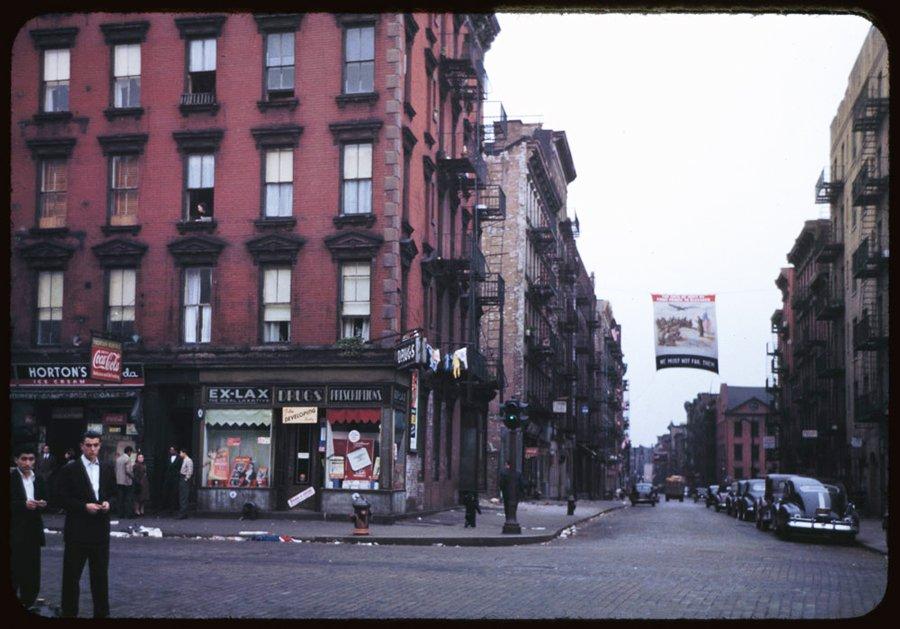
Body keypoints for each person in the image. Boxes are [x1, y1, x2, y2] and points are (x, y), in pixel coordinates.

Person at [55, 431, 117, 618]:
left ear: (100, 446)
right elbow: (60, 498)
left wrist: (109, 504)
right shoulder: (70, 469)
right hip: (77, 532)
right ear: (81, 446)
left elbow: (114, 494)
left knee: (100, 578)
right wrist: (83, 507)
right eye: (88, 445)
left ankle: (101, 614)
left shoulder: (106, 467)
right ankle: (69, 613)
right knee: (72, 577)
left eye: (96, 445)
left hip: (100, 532)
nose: (92, 449)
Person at [10, 443, 49, 610]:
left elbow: (46, 498)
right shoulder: (11, 479)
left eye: (31, 459)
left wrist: (43, 503)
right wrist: (23, 505)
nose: (27, 463)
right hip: (14, 532)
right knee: (14, 570)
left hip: (33, 532)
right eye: (23, 459)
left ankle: (28, 601)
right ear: (16, 460)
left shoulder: (38, 478)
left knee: (32, 571)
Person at [115, 446, 135, 519]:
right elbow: (128, 471)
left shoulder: (118, 459)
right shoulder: (127, 459)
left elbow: (116, 470)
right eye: (131, 452)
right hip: (126, 482)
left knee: (120, 498)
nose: (131, 454)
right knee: (128, 498)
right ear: (129, 452)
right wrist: (133, 477)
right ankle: (128, 514)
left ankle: (120, 514)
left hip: (119, 481)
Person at [163, 445, 181, 514]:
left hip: (175, 478)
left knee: (175, 492)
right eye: (170, 450)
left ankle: (175, 507)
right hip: (169, 478)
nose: (171, 451)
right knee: (168, 492)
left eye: (172, 450)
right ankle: (168, 507)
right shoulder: (168, 457)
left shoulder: (179, 458)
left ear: (175, 450)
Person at [177, 447, 193, 519]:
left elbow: (190, 471)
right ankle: (183, 513)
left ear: (184, 453)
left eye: (181, 453)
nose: (180, 454)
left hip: (184, 479)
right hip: (182, 478)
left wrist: (186, 479)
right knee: (182, 496)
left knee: (184, 496)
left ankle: (183, 513)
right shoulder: (184, 460)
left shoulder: (188, 460)